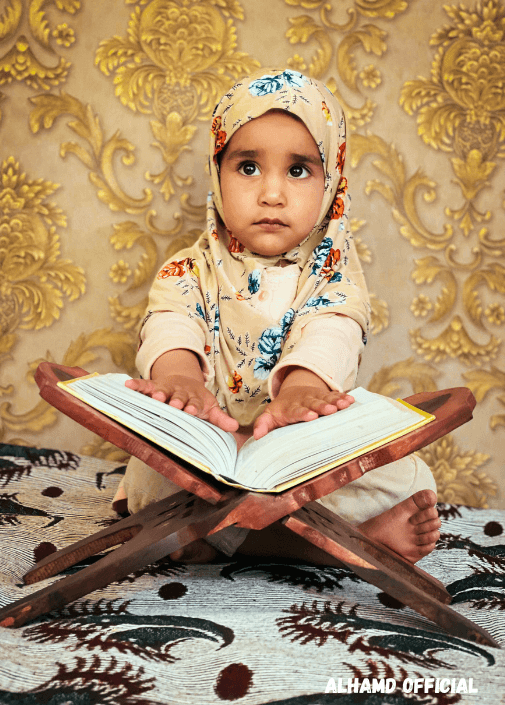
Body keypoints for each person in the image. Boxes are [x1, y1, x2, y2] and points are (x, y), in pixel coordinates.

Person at [112, 69, 440, 565]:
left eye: (298, 170)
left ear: (331, 183)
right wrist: (179, 379)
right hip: (209, 443)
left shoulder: (333, 276)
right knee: (150, 477)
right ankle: (332, 548)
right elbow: (170, 320)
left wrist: (302, 392)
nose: (271, 193)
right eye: (247, 168)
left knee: (403, 476)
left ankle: (211, 543)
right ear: (217, 173)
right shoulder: (189, 269)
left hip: (295, 447)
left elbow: (333, 329)